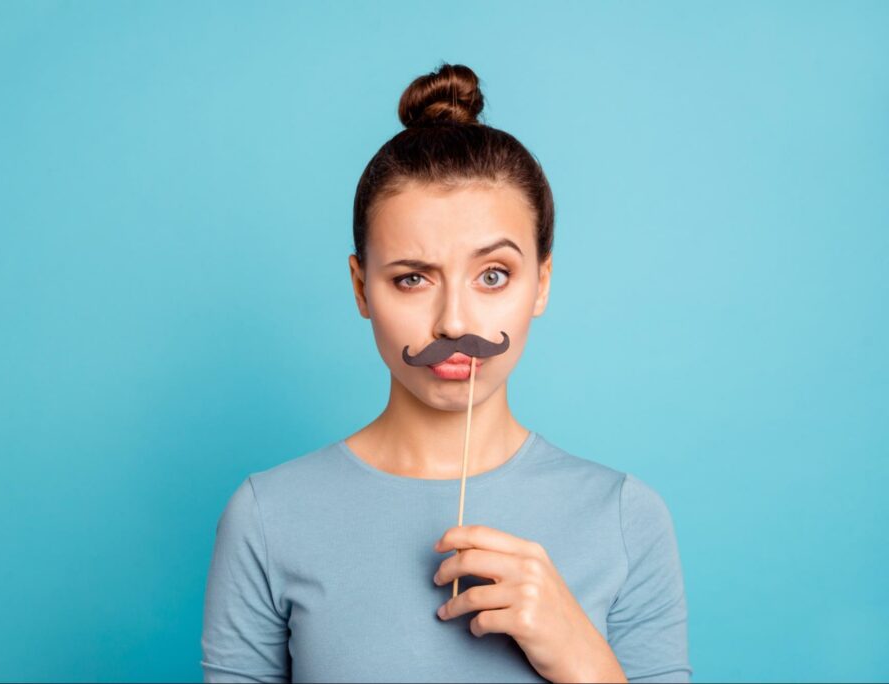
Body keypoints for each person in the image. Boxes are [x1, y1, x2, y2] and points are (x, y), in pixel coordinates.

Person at [200, 62, 692, 683]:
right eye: (412, 278)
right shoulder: (267, 518)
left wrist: (584, 658)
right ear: (360, 287)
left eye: (493, 276)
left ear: (540, 282)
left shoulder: (625, 517)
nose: (454, 322)